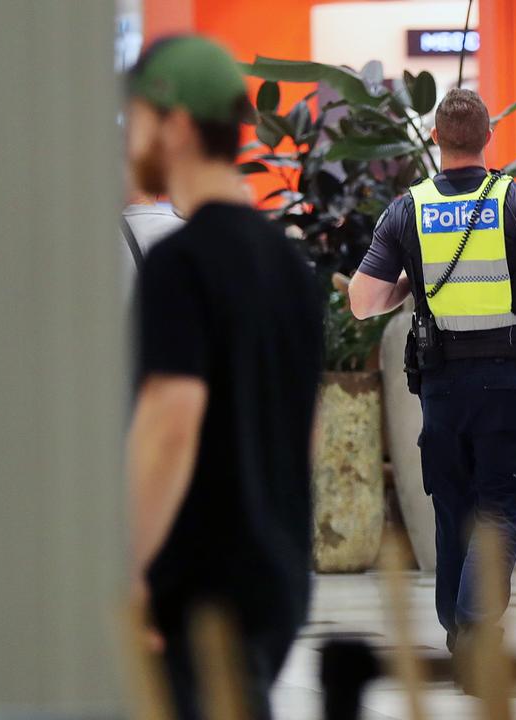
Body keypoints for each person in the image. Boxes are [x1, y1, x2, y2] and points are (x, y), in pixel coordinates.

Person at [125, 36, 324, 719]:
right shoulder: (292, 269)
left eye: (139, 119)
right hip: (278, 574)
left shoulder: (180, 264)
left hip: (202, 583)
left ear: (176, 125)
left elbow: (170, 423)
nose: (131, 138)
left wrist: (130, 568)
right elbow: (307, 428)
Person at [348, 89, 516, 671]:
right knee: (500, 505)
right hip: (507, 383)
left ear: (435, 139)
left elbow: (362, 300)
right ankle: (477, 629)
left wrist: (407, 286)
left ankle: (458, 630)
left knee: (453, 507)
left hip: (442, 388)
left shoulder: (409, 208)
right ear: (487, 138)